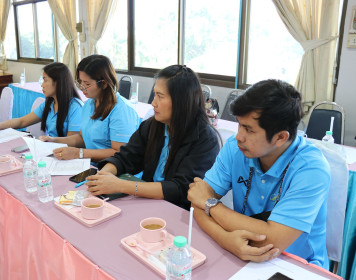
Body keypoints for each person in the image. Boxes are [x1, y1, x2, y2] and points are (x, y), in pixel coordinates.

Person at [188, 79, 330, 268]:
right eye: (239, 125)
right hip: (240, 252)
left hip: (296, 264)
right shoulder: (235, 147)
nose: (239, 136)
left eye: (248, 129)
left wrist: (211, 205)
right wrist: (225, 239)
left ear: (280, 137)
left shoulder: (312, 169)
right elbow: (196, 201)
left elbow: (272, 240)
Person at [85, 65, 220, 210]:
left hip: (178, 211)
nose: (153, 102)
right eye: (154, 94)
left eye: (160, 96)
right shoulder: (153, 125)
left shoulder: (205, 140)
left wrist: (120, 185)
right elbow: (126, 157)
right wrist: (103, 176)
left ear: (181, 101)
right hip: (148, 202)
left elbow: (180, 189)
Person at [39, 55, 140, 163]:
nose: (82, 87)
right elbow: (82, 138)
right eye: (80, 82)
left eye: (87, 84)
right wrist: (53, 140)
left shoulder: (121, 110)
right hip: (92, 165)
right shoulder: (89, 104)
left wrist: (79, 153)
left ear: (104, 83)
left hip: (114, 171)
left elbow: (119, 153)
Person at [0, 62, 83, 137]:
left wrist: (49, 141)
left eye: (45, 80)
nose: (42, 85)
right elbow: (22, 121)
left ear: (58, 83)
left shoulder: (75, 107)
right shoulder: (49, 104)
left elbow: (71, 143)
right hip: (52, 150)